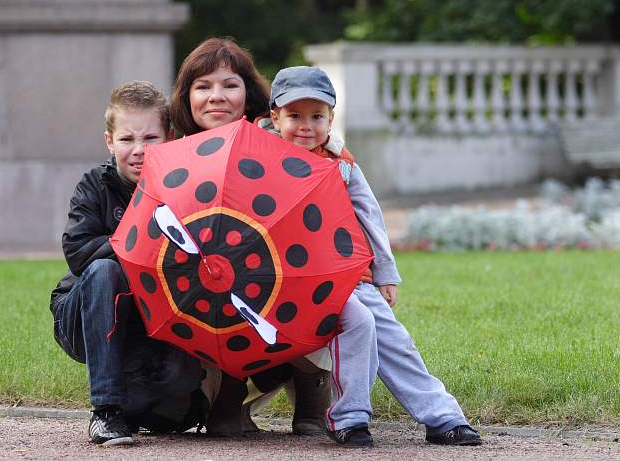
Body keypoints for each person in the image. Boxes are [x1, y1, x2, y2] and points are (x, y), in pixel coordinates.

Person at [268, 66, 482, 448]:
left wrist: (385, 273)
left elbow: (370, 216)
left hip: (351, 275)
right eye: (294, 116)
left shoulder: (343, 165)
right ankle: (349, 418)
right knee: (359, 323)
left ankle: (442, 416)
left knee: (395, 339)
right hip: (297, 283)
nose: (306, 126)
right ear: (275, 117)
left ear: (331, 119)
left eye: (316, 116)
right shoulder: (262, 161)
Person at [170, 38, 332, 437]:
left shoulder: (278, 140)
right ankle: (227, 391)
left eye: (229, 85)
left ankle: (311, 385)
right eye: (203, 86)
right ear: (187, 95)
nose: (216, 97)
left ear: (249, 92)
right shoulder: (172, 151)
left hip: (279, 275)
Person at [50, 81, 216, 446]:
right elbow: (78, 254)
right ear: (109, 142)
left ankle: (134, 402)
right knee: (104, 269)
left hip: (152, 318)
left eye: (150, 138)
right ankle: (105, 412)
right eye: (127, 140)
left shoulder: (185, 188)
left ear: (169, 137)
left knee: (174, 415)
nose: (139, 151)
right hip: (79, 314)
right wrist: (140, 236)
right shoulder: (94, 186)